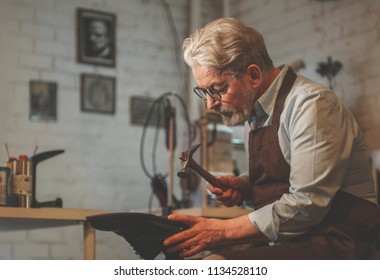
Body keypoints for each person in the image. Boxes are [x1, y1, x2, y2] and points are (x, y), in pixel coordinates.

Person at [163, 18, 380, 259]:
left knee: (214, 266)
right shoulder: (254, 114)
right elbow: (287, 179)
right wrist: (246, 188)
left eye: (218, 89)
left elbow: (307, 203)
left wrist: (220, 230)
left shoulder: (311, 105)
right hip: (298, 240)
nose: (210, 104)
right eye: (204, 92)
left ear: (253, 75)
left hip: (341, 243)